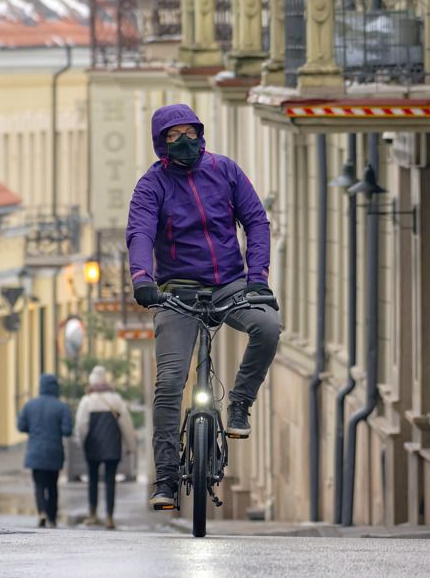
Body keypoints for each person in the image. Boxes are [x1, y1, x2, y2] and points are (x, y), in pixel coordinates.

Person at [125, 103, 281, 509]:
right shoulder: (151, 186)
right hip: (176, 291)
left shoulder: (225, 171)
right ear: (161, 143)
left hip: (230, 285)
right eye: (173, 136)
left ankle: (241, 403)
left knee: (267, 328)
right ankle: (165, 481)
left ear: (200, 133)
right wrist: (142, 278)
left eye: (189, 133)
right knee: (170, 381)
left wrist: (257, 277)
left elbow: (257, 220)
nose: (184, 142)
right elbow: (140, 231)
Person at [74, 365, 136, 529]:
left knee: (92, 480)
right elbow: (126, 424)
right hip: (112, 446)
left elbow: (81, 425)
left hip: (93, 446)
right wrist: (131, 446)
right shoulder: (116, 399)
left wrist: (81, 441)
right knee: (110, 481)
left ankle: (92, 514)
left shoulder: (87, 401)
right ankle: (109, 517)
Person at [17, 373, 72, 528]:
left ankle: (41, 512)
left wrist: (33, 429)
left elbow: (21, 426)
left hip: (35, 451)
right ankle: (52, 518)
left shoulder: (30, 405)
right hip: (54, 452)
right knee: (53, 485)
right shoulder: (61, 407)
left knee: (39, 485)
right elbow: (67, 430)